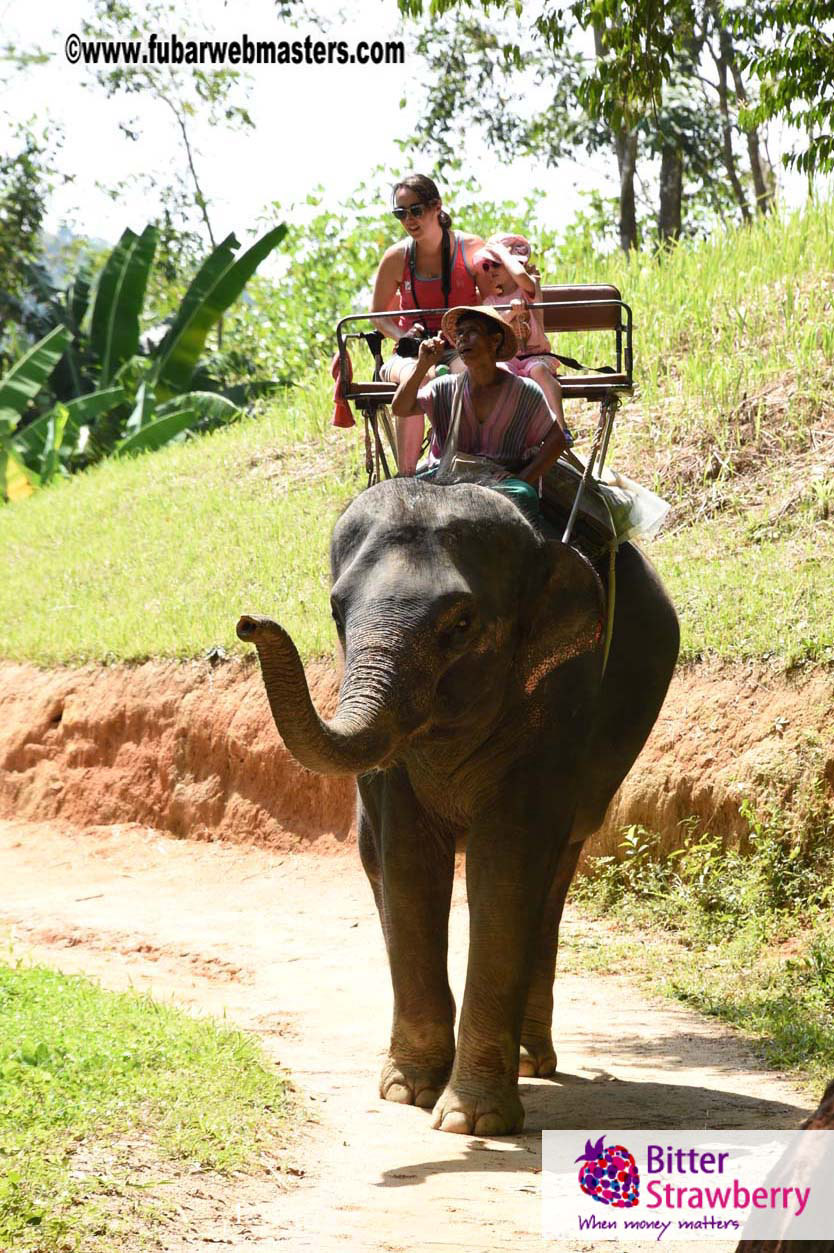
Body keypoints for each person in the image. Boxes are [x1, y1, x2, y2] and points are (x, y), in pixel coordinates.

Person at [391, 305, 568, 521]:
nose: (463, 338)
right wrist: (422, 366)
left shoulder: (524, 391)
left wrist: (524, 478)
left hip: (499, 484)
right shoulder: (444, 387)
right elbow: (400, 408)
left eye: (472, 331)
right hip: (446, 480)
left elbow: (557, 439)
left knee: (522, 495)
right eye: (459, 334)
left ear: (494, 340)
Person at [371, 175, 486, 386]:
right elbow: (377, 315)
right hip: (411, 355)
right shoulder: (395, 257)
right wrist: (404, 338)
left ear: (437, 206)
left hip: (461, 349)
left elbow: (491, 305)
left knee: (466, 377)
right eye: (400, 213)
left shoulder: (470, 247)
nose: (409, 220)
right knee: (417, 378)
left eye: (416, 210)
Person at [473, 233, 570, 441]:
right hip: (507, 358)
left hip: (534, 355)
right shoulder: (490, 301)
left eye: (496, 264)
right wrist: (511, 314)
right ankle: (505, 435)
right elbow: (491, 325)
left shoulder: (530, 289)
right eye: (486, 266)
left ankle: (560, 429)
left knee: (539, 371)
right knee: (498, 375)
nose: (490, 270)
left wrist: (501, 252)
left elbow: (521, 277)